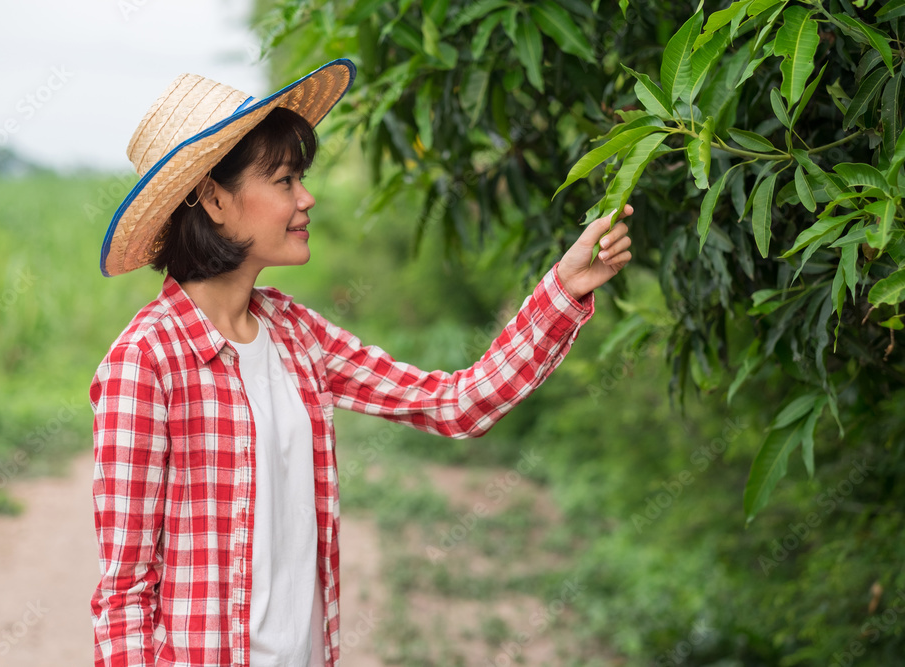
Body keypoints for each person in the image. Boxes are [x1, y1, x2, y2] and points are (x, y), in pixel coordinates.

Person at [89, 58, 633, 667]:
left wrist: (563, 287)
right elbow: (126, 591)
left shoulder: (296, 335)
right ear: (213, 198)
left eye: (302, 178)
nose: (307, 197)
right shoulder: (146, 362)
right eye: (285, 181)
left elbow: (454, 404)